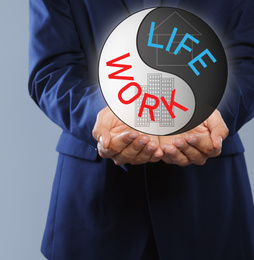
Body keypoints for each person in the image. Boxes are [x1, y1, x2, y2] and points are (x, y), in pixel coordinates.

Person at [28, 0, 254, 259]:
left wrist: (212, 115)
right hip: (95, 206)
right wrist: (99, 116)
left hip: (209, 205)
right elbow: (51, 68)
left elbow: (248, 62)